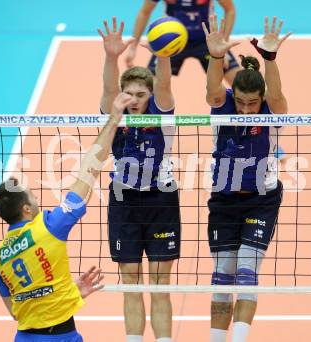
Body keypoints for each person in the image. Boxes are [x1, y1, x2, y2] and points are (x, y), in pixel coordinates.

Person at [0, 93, 133, 342]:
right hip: (62, 336)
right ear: (26, 209)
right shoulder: (49, 227)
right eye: (32, 197)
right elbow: (88, 170)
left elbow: (16, 312)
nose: (37, 199)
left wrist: (68, 294)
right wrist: (113, 119)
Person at [203, 14, 290, 342]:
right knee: (223, 277)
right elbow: (213, 89)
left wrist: (270, 58)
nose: (246, 109)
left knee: (246, 271)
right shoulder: (222, 105)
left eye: (252, 103)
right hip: (223, 200)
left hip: (261, 200)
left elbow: (278, 96)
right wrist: (215, 57)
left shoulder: (270, 109)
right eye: (241, 102)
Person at [98, 17, 180, 342]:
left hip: (161, 201)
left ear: (149, 95)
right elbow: (107, 91)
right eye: (129, 94)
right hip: (124, 203)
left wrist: (163, 53)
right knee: (130, 283)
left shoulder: (162, 115)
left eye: (141, 94)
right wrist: (111, 56)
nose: (134, 99)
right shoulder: (115, 115)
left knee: (160, 286)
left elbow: (164, 86)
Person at [125, 0, 240, 84]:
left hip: (207, 41)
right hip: (171, 41)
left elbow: (230, 10)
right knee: (148, 87)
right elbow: (144, 12)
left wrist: (223, 42)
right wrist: (133, 47)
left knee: (241, 86)